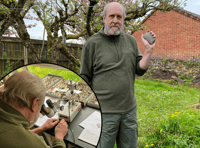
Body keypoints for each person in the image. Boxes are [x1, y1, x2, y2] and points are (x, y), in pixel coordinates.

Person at [80, 2, 156, 148]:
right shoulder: (92, 44)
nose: (115, 20)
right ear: (104, 18)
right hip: (104, 114)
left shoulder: (131, 41)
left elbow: (140, 69)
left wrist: (148, 51)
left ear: (123, 20)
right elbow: (84, 77)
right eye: (112, 16)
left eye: (119, 17)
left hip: (129, 112)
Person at [0, 71, 68, 148]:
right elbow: (23, 139)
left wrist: (41, 128)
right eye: (41, 106)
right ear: (35, 103)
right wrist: (59, 137)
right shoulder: (34, 144)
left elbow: (14, 135)